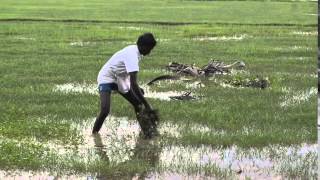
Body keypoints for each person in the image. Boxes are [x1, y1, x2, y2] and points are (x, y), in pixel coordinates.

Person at [93, 32, 158, 138]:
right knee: (105, 110)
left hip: (120, 78)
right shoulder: (132, 55)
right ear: (143, 46)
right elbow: (133, 84)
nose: (149, 52)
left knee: (138, 104)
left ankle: (146, 133)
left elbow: (127, 74)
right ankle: (94, 135)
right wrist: (147, 104)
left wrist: (139, 95)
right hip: (107, 77)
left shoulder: (137, 52)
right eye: (149, 49)